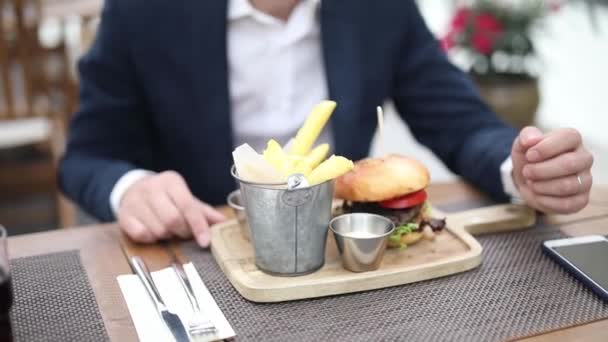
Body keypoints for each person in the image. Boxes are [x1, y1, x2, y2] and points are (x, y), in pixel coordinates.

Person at [59, 0, 594, 247]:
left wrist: (520, 166)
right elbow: (86, 156)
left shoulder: (377, 9)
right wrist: (131, 189)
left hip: (345, 253)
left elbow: (460, 122)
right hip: (200, 249)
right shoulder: (142, 12)